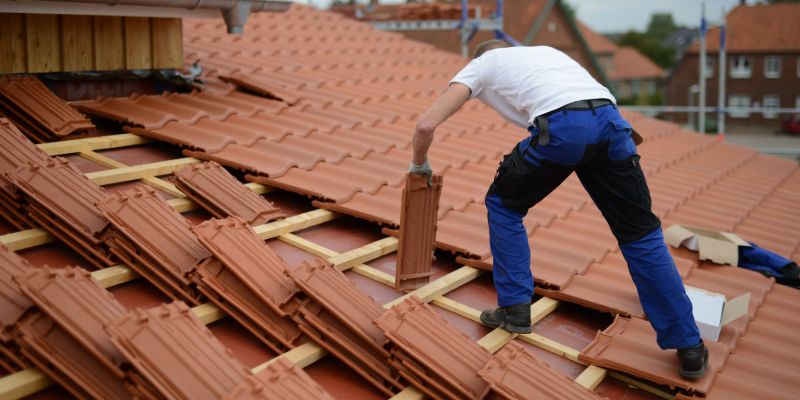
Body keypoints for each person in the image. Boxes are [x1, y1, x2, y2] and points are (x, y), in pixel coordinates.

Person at [408, 40, 708, 379]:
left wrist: (419, 164)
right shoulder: (547, 55)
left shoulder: (482, 64)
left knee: (503, 204)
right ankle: (690, 346)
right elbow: (594, 105)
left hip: (565, 129)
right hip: (612, 124)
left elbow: (426, 125)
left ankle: (514, 309)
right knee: (641, 234)